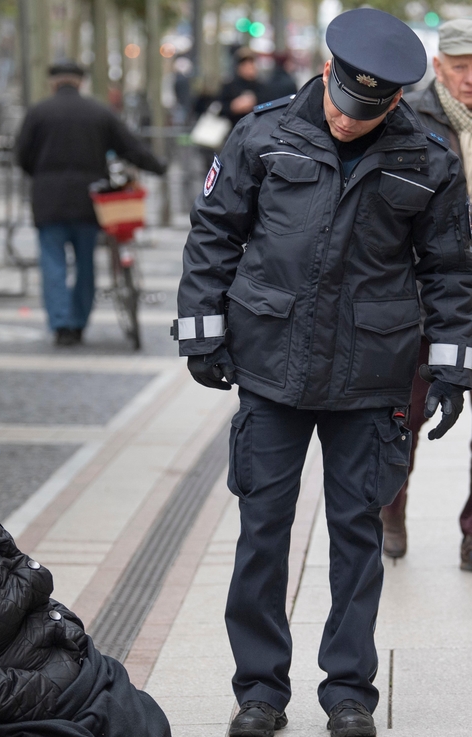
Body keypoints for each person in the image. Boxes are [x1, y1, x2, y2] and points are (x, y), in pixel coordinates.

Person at [173, 8, 472, 737]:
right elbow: (213, 231)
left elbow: (451, 272)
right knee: (263, 534)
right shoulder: (263, 133)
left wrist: (453, 365)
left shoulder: (429, 157)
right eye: (341, 100)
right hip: (271, 367)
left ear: (396, 101)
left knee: (356, 539)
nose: (345, 119)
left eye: (365, 111)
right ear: (328, 76)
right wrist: (202, 332)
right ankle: (260, 692)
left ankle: (348, 692)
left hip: (371, 377)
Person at [0, 421, 172, 737]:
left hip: (50, 664)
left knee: (139, 713)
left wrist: (68, 633)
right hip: (30, 688)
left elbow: (29, 584)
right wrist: (53, 686)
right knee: (125, 721)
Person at [383, 18, 472, 569]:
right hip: (425, 290)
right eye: (463, 69)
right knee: (405, 416)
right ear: (439, 67)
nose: (471, 81)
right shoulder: (405, 116)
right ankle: (391, 509)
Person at [15, 61, 166, 347]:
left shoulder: (38, 113)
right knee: (86, 263)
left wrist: (42, 174)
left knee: (53, 262)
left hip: (48, 200)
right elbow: (130, 147)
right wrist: (158, 167)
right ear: (81, 82)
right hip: (91, 201)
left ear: (53, 83)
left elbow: (22, 156)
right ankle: (79, 322)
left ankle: (60, 324)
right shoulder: (99, 113)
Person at [218, 47, 265, 128]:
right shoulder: (229, 86)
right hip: (234, 129)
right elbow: (220, 109)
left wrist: (254, 104)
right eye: (245, 65)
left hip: (256, 130)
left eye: (251, 64)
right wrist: (233, 107)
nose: (249, 68)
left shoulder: (261, 87)